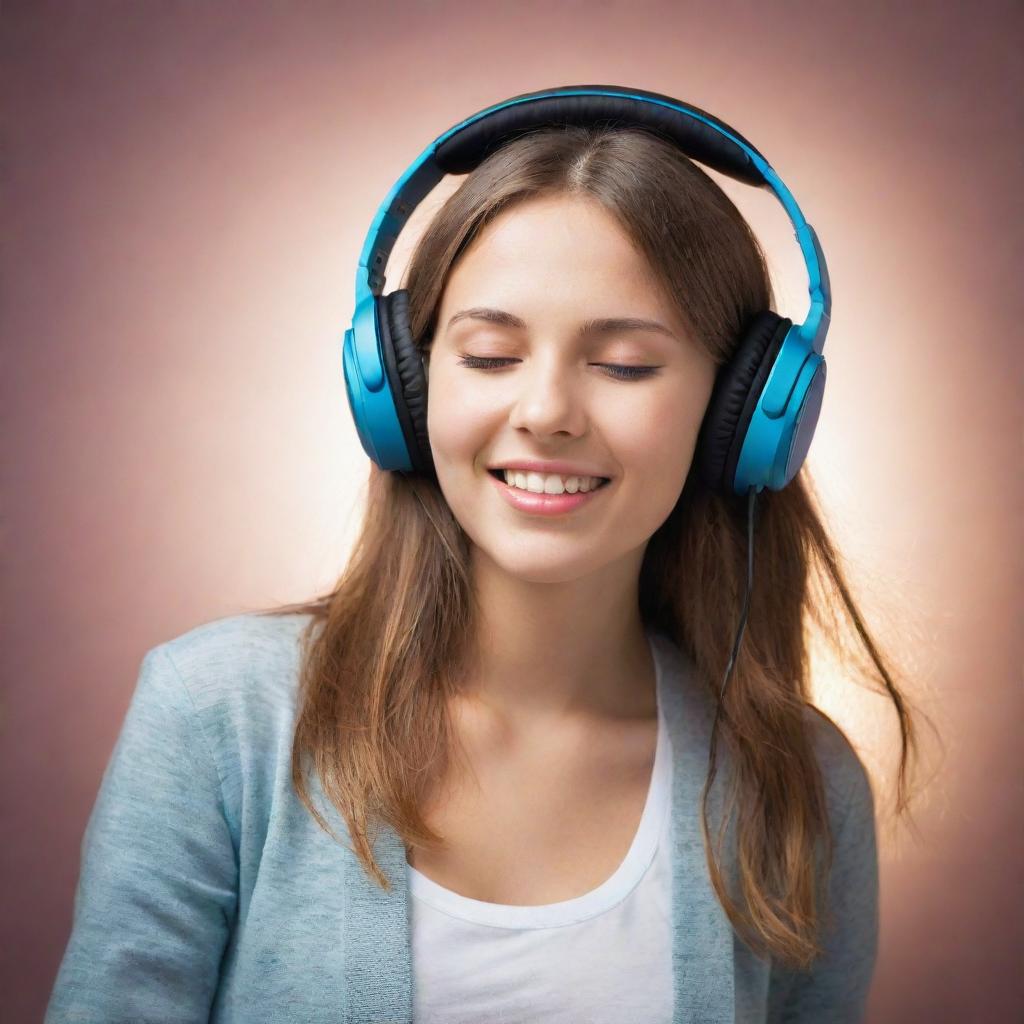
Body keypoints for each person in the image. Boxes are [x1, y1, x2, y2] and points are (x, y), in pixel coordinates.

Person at [45, 118, 927, 1023]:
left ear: (744, 413)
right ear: (403, 384)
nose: (545, 411)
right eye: (490, 356)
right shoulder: (217, 717)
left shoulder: (802, 789)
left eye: (625, 365)